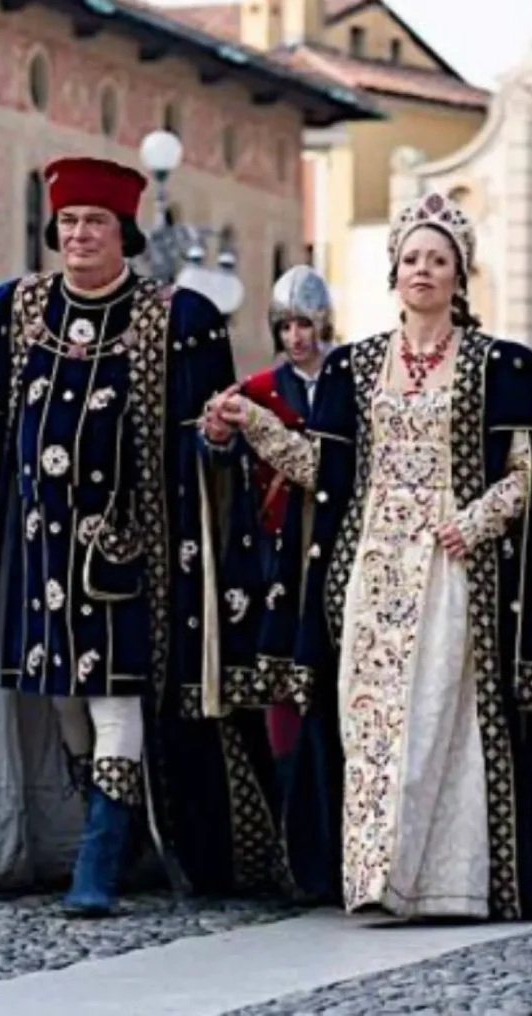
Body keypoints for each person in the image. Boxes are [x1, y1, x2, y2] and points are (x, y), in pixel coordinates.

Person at [206, 192, 532, 921]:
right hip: (370, 570)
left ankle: (449, 879)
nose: (423, 270)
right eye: (411, 258)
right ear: (393, 271)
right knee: (370, 726)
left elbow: (527, 472)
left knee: (441, 719)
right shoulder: (354, 367)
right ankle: (379, 876)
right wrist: (252, 423)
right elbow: (325, 472)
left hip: (454, 566)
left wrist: (475, 521)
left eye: (438, 259)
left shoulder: (502, 364)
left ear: (460, 274)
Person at [0, 156, 283, 917]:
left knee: (114, 697)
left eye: (95, 222)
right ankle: (116, 832)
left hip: (131, 560)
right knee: (65, 698)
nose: (79, 235)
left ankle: (98, 856)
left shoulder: (178, 319)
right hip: (40, 557)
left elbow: (203, 446)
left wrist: (216, 440)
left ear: (124, 231)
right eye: (68, 222)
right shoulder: (14, 310)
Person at [206, 265, 330, 793]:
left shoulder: (348, 382)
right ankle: (284, 794)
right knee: (278, 668)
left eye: (304, 324)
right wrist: (215, 433)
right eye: (285, 327)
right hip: (274, 549)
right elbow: (220, 451)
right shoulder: (258, 390)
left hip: (334, 545)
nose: (295, 337)